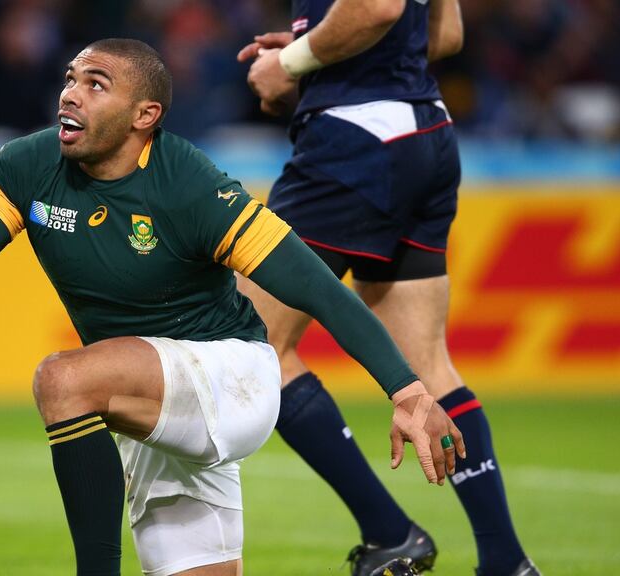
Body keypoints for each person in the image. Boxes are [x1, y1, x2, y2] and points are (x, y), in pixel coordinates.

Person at [0, 38, 463, 576]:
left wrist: (407, 390)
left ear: (145, 116)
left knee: (63, 379)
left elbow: (317, 288)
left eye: (96, 85)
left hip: (229, 376)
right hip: (150, 404)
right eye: (71, 79)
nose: (70, 94)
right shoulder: (28, 165)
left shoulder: (190, 185)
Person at [239, 1, 540, 575]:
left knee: (251, 346)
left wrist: (296, 62)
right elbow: (444, 34)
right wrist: (325, 44)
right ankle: (504, 560)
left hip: (354, 139)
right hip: (423, 128)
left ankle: (389, 532)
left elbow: (375, 7)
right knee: (429, 363)